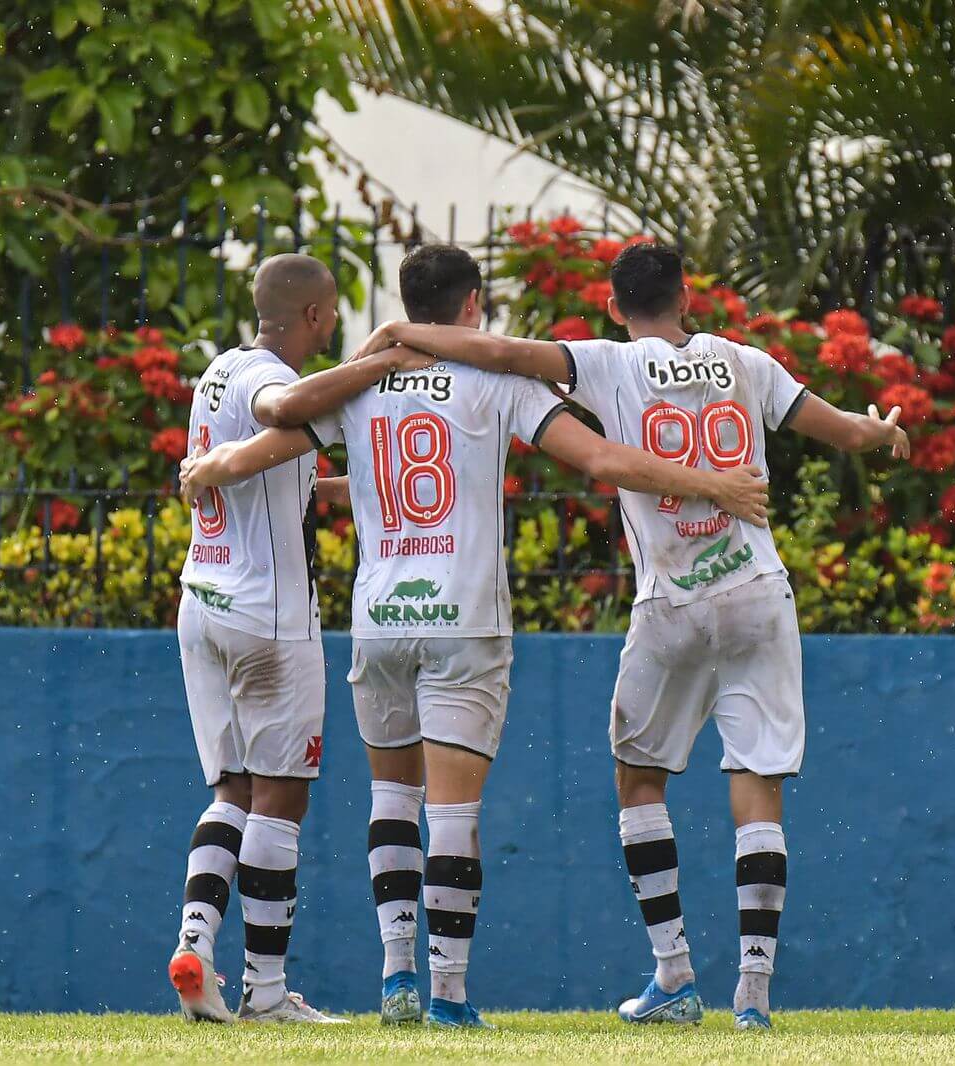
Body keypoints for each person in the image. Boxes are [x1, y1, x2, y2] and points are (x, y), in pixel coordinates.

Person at [179, 244, 771, 1028]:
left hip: (380, 617)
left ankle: (394, 978)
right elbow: (597, 457)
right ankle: (448, 995)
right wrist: (711, 483)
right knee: (453, 817)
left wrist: (210, 466)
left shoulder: (364, 381)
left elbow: (272, 441)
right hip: (464, 619)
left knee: (391, 799)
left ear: (405, 300)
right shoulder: (498, 380)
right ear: (470, 305)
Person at [350, 241, 909, 1031]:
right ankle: (753, 995)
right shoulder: (744, 362)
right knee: (757, 784)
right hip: (757, 590)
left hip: (673, 600)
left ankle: (675, 975)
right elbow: (846, 432)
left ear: (615, 308)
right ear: (688, 295)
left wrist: (402, 338)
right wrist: (884, 433)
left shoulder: (607, 362)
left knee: (640, 778)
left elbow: (500, 351)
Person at [167, 252, 432, 1025]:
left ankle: (195, 943)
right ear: (313, 316)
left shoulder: (216, 372)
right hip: (269, 620)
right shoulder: (263, 382)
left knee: (232, 792)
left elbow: (276, 470)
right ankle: (268, 992)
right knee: (281, 798)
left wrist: (356, 486)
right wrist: (381, 365)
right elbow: (287, 411)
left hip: (202, 602)